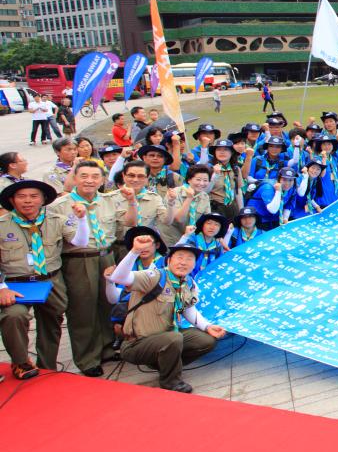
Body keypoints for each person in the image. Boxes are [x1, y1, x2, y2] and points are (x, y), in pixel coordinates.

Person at [105, 237, 227, 393]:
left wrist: (207, 326)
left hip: (166, 338)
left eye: (189, 259)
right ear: (169, 260)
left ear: (194, 264)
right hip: (137, 343)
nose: (183, 262)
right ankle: (170, 381)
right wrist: (135, 251)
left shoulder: (188, 283)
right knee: (174, 338)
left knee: (206, 340)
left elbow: (188, 309)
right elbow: (118, 277)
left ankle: (165, 364)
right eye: (180, 257)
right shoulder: (154, 276)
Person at [49, 161, 136, 377]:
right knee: (82, 309)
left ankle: (106, 348)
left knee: (106, 304)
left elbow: (126, 226)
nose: (89, 180)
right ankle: (87, 357)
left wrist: (132, 202)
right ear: (75, 178)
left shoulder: (109, 201)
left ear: (102, 180)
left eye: (95, 177)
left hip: (105, 256)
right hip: (78, 260)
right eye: (84, 176)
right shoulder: (60, 205)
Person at [0, 180, 90, 378]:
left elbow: (80, 242)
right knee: (14, 316)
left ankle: (47, 365)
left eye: (34, 196)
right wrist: (1, 288)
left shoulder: (57, 220)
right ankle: (21, 361)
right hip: (16, 282)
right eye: (21, 197)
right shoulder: (2, 225)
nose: (27, 201)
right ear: (12, 200)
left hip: (51, 280)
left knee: (52, 322)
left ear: (43, 199)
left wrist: (82, 219)